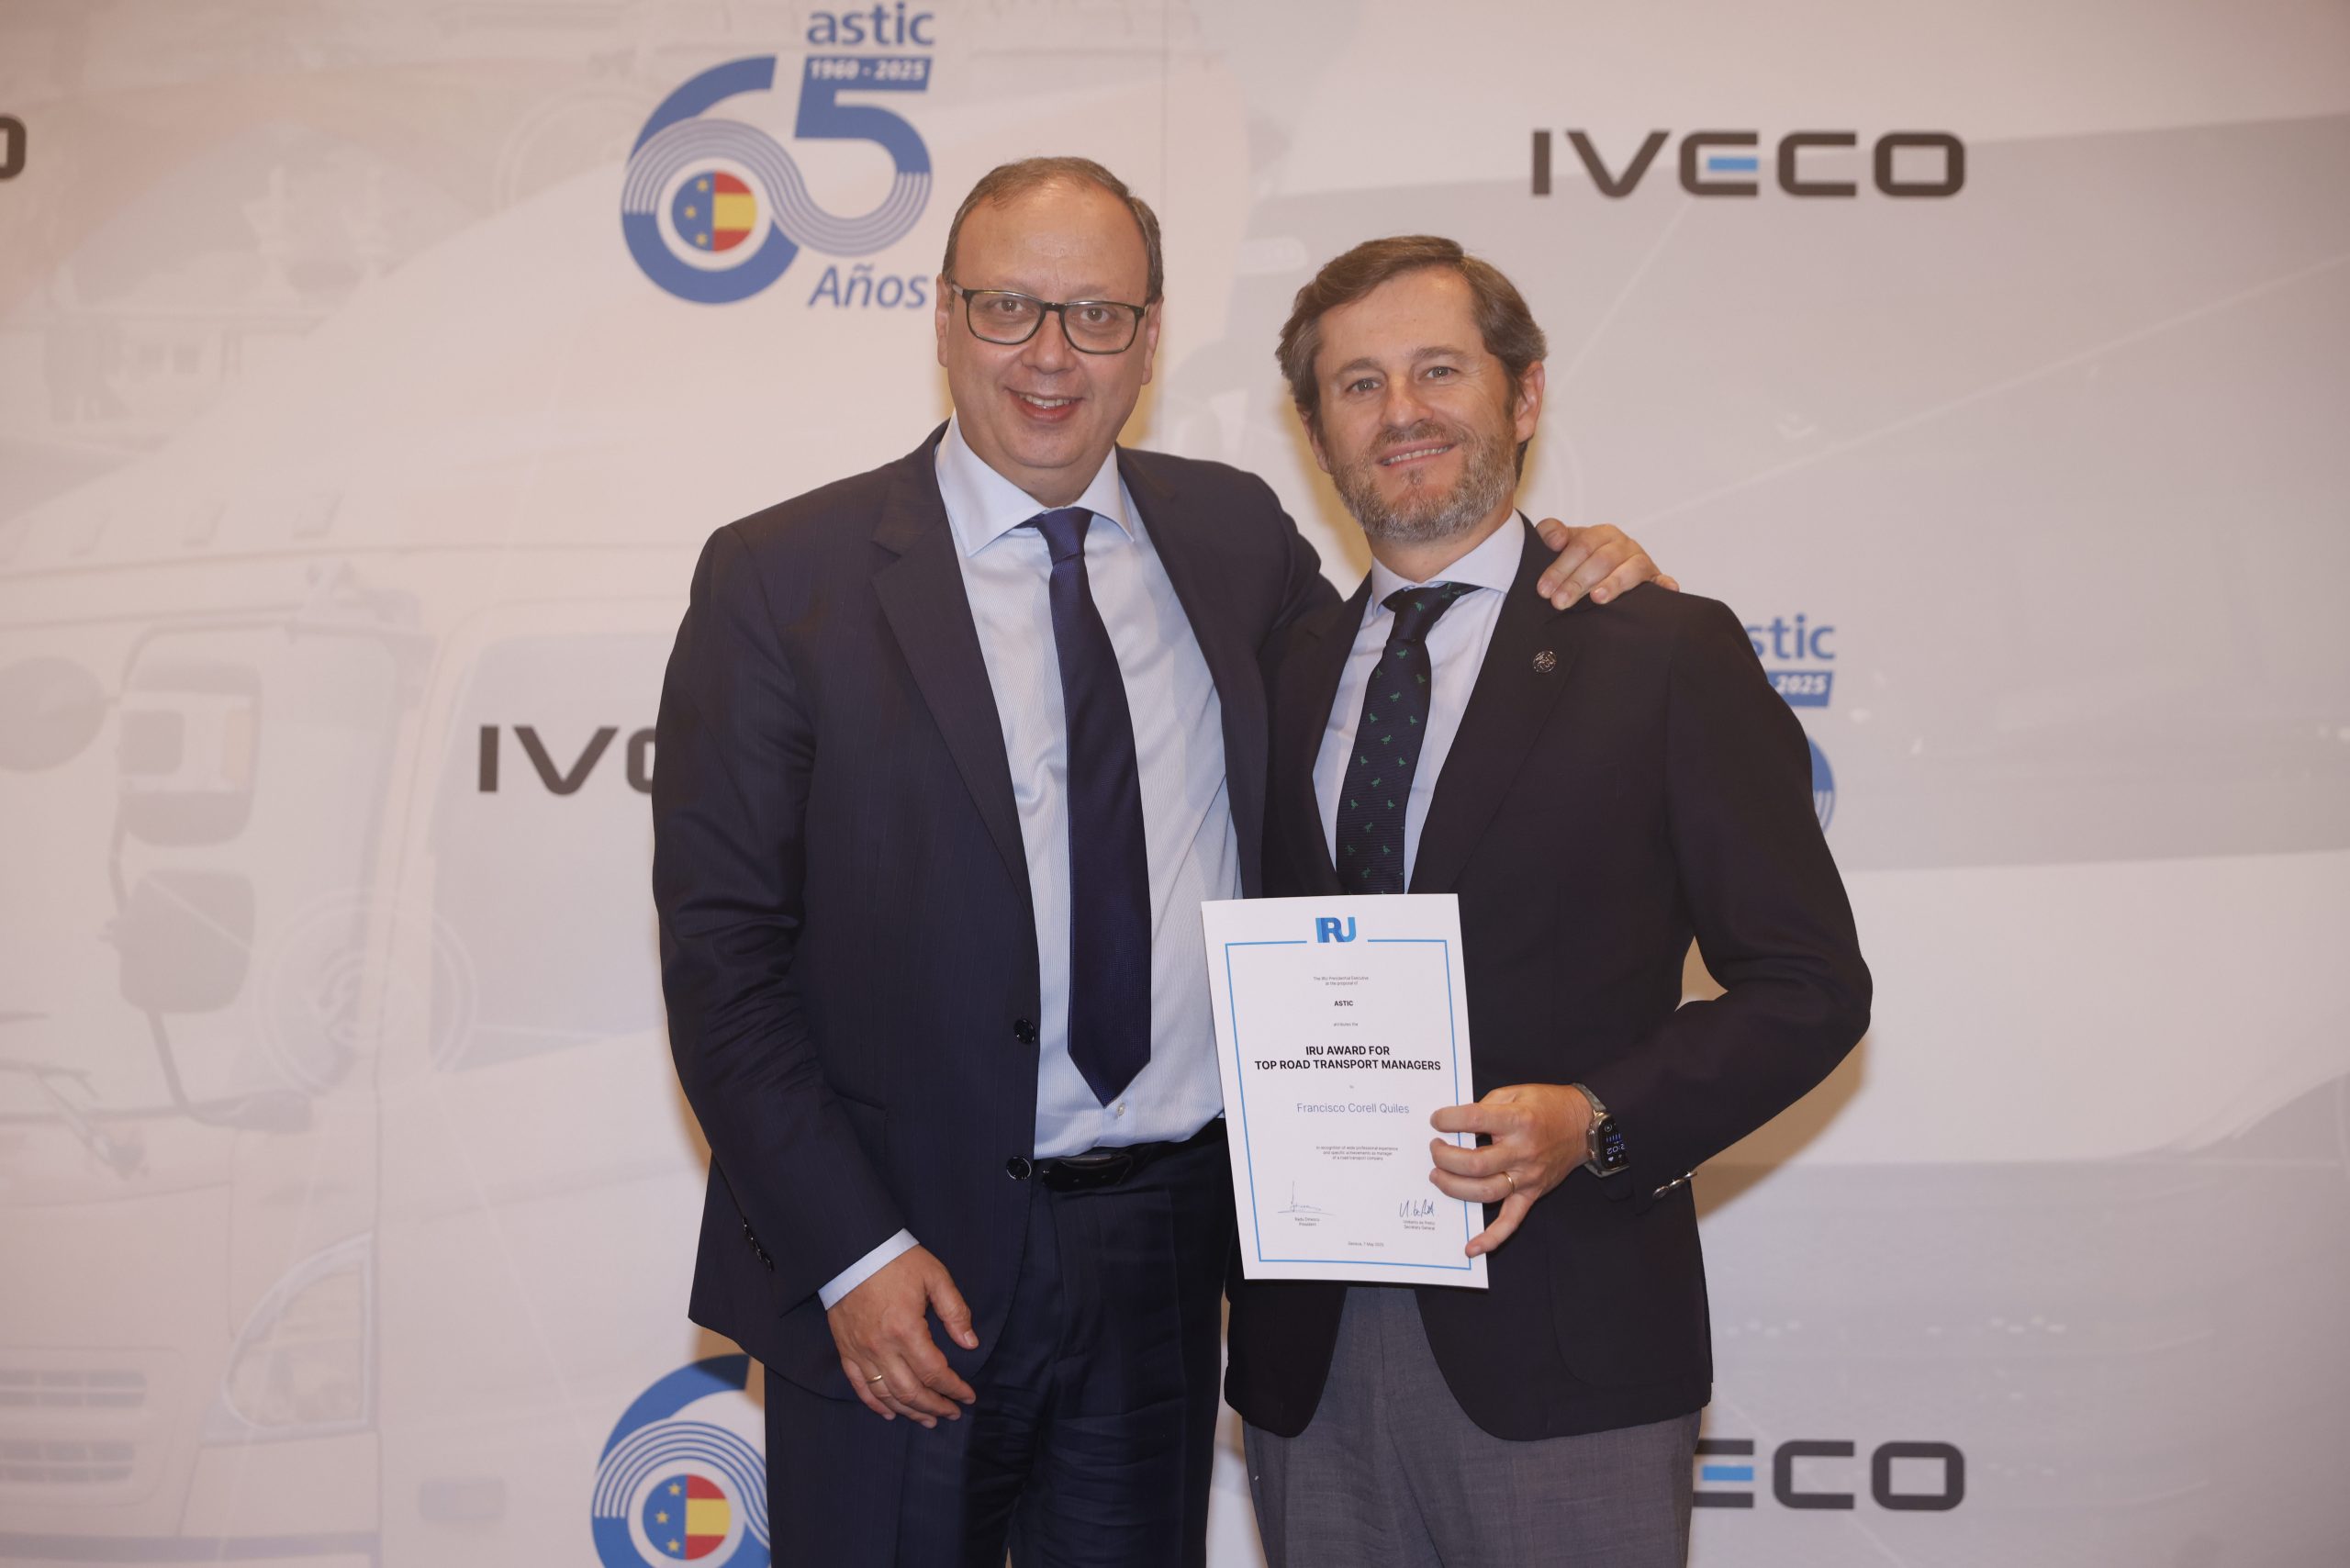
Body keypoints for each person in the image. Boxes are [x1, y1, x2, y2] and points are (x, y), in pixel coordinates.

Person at [650, 162, 1668, 1567]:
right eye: (1009, 307)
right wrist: (852, 1254)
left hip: (1165, 1258)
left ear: (1148, 338)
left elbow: (1415, 666)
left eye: (1097, 315)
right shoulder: (782, 578)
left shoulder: (1232, 537)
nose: (1050, 355)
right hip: (898, 1265)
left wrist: (1575, 577)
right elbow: (722, 963)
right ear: (942, 317)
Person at [1223, 235, 1872, 1567]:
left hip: (1567, 1346)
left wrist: (1595, 1118)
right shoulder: (1277, 670)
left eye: (1439, 370)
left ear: (1522, 396)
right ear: (1316, 432)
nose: (1401, 412)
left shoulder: (1663, 653)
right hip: (1311, 1358)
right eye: (1358, 385)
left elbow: (1810, 986)